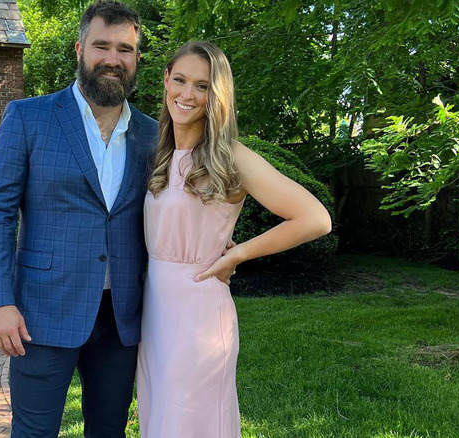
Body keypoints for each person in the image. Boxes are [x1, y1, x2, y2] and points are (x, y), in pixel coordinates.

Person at [0, 1, 158, 437]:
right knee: (34, 432)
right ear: (79, 49)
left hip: (123, 319)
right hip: (41, 313)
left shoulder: (153, 134)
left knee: (109, 429)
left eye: (125, 49)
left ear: (135, 58)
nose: (113, 59)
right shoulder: (29, 117)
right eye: (101, 46)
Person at [136, 41, 332, 438]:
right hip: (154, 311)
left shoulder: (231, 156)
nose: (187, 94)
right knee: (160, 421)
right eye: (180, 80)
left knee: (190, 424)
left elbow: (315, 218)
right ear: (165, 82)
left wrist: (238, 254)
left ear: (217, 95)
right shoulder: (160, 154)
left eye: (202, 86)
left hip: (199, 316)